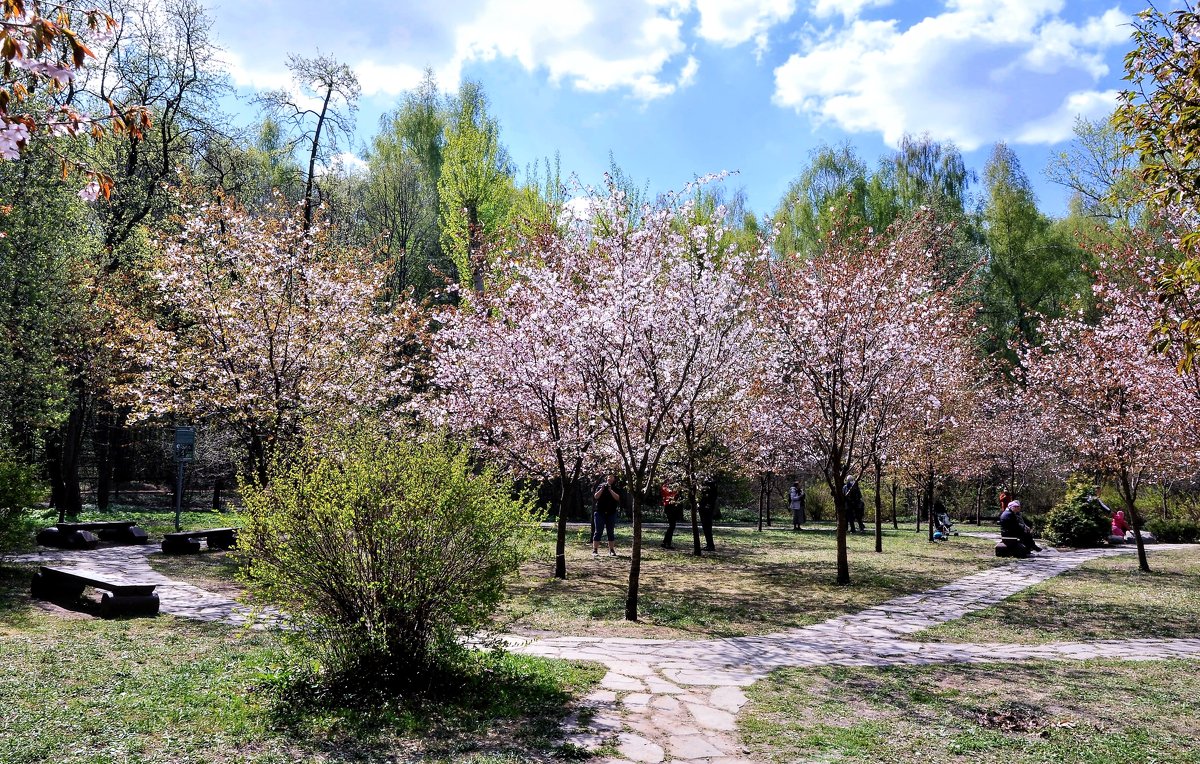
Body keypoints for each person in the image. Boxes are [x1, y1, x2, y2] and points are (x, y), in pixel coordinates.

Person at [593, 474, 622, 558]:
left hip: (611, 513)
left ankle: (611, 550)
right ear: (606, 479)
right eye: (609, 478)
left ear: (614, 480)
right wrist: (602, 489)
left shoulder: (615, 488)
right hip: (600, 512)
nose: (610, 479)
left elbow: (617, 498)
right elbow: (596, 496)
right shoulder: (600, 486)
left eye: (612, 478)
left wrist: (610, 490)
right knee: (598, 531)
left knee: (610, 532)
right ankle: (595, 550)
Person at [660, 484, 681, 549]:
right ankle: (667, 543)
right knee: (672, 526)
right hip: (669, 507)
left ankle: (665, 542)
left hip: (672, 506)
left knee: (672, 526)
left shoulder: (669, 486)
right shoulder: (665, 487)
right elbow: (670, 492)